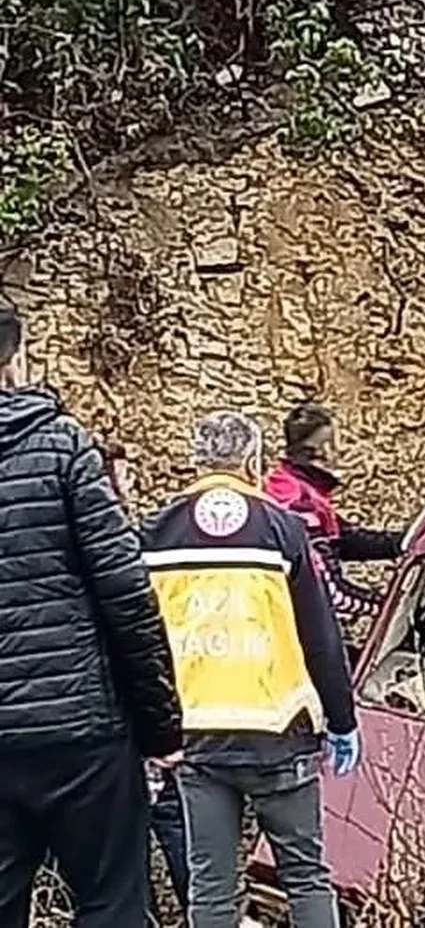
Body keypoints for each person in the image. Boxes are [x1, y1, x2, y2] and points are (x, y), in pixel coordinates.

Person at [0, 304, 183, 927]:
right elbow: (127, 592)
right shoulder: (61, 447)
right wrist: (160, 729)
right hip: (83, 734)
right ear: (16, 360)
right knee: (109, 901)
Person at [140, 411, 359, 928]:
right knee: (306, 877)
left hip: (198, 734)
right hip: (279, 731)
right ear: (253, 462)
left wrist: (149, 726)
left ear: (195, 463)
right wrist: (342, 719)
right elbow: (319, 636)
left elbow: (140, 637)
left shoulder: (156, 532)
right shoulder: (281, 528)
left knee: (212, 885)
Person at [97, 437, 191, 925]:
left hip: (106, 723)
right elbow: (140, 637)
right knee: (164, 820)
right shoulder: (118, 547)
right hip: (123, 716)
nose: (133, 485)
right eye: (125, 477)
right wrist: (162, 728)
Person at [265, 403, 404, 626]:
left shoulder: (293, 485)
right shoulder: (298, 503)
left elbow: (342, 540)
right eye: (339, 442)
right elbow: (329, 591)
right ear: (321, 450)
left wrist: (402, 543)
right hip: (294, 627)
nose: (341, 451)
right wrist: (388, 607)